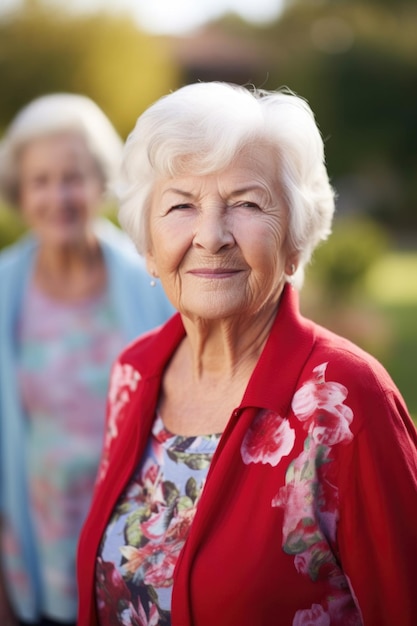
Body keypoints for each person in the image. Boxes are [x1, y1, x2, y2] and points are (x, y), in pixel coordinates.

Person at [76, 82, 417, 626]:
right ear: (147, 247)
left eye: (247, 204)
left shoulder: (346, 398)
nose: (211, 236)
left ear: (295, 243)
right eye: (181, 205)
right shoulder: (134, 373)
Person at [0, 93, 174, 626]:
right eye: (41, 180)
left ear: (100, 183)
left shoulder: (153, 279)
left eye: (73, 177)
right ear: (20, 192)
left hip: (139, 552)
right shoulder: (3, 288)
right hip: (37, 554)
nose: (59, 196)